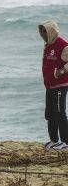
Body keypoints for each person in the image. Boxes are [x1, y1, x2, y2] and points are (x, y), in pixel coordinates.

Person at [39, 20, 68, 151]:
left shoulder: (63, 45)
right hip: (49, 86)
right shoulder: (48, 45)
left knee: (60, 112)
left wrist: (62, 70)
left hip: (60, 85)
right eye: (41, 31)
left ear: (51, 31)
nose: (42, 34)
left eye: (44, 31)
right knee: (50, 114)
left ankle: (66, 142)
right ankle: (54, 140)